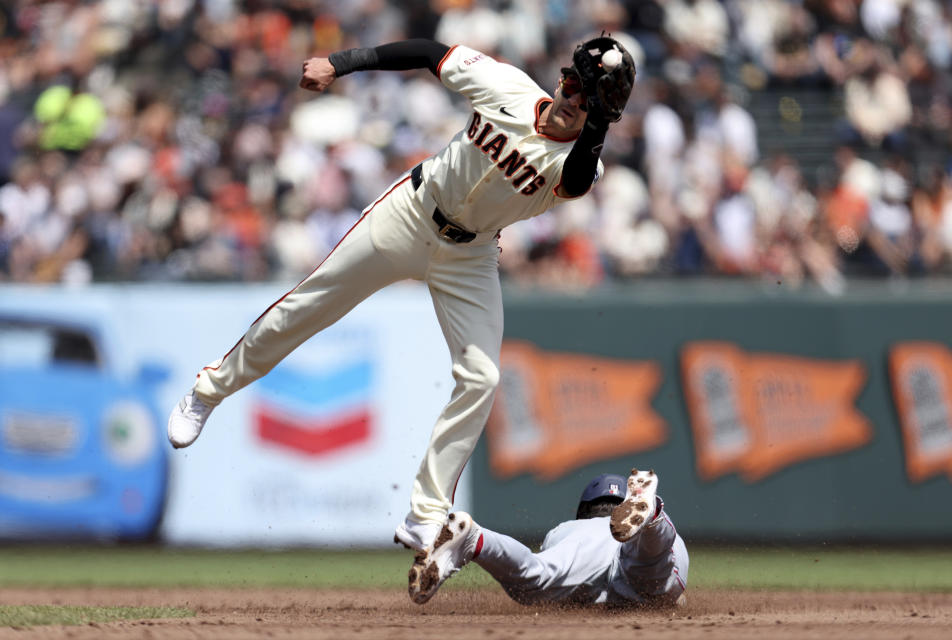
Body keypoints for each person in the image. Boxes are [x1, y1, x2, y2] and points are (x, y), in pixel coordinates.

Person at [166, 36, 636, 600]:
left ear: (600, 114)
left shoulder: (583, 160)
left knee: (483, 377)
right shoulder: (506, 86)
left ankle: (426, 514)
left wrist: (599, 126)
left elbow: (579, 179)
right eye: (572, 85)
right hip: (411, 213)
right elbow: (426, 51)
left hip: (471, 255)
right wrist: (339, 66)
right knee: (307, 305)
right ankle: (209, 390)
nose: (573, 100)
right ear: (561, 78)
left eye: (588, 100)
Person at [413, 469, 689, 606]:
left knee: (534, 576)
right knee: (650, 572)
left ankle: (475, 538)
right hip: (648, 543)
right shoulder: (622, 530)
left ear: (585, 509)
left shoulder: (568, 529)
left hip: (584, 541)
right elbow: (679, 600)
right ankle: (652, 518)